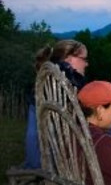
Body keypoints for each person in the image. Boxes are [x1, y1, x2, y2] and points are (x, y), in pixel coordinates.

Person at [24, 40, 90, 169]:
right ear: (69, 59)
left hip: (37, 161)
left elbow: (33, 135)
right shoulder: (70, 82)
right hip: (57, 165)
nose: (87, 63)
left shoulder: (46, 82)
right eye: (84, 59)